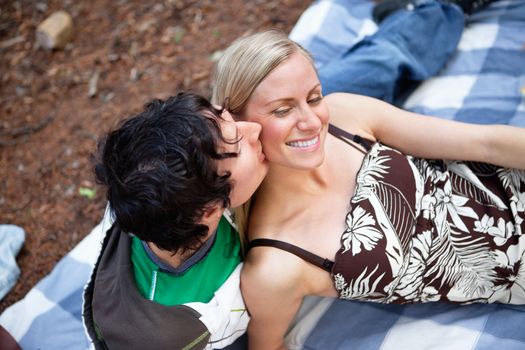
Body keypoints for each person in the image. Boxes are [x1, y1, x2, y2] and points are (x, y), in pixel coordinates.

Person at [210, 3, 524, 350]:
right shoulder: (275, 266)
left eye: (314, 98)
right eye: (283, 109)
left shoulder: (345, 115)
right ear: (236, 121)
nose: (312, 122)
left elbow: (485, 143)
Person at [82, 92, 268, 349]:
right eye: (238, 145)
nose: (255, 128)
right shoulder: (177, 329)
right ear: (209, 211)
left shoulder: (147, 193)